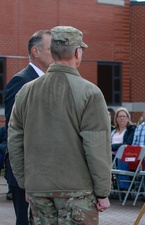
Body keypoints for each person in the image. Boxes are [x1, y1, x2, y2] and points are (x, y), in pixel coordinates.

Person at [8, 26, 112, 224]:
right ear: (76, 52)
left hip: (38, 190)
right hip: (77, 192)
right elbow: (96, 146)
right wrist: (102, 192)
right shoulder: (90, 92)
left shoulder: (26, 91)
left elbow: (15, 141)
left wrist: (26, 183)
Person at [3, 29, 53, 225]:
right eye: (50, 49)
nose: (55, 54)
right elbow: (15, 130)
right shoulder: (21, 81)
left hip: (45, 174)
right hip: (26, 174)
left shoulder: (49, 81)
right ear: (35, 51)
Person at [111, 107, 136, 189]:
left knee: (118, 159)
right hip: (110, 154)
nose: (121, 118)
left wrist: (111, 147)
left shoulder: (131, 129)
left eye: (124, 116)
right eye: (119, 116)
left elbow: (127, 143)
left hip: (125, 156)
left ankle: (123, 188)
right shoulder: (112, 130)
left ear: (128, 118)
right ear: (116, 119)